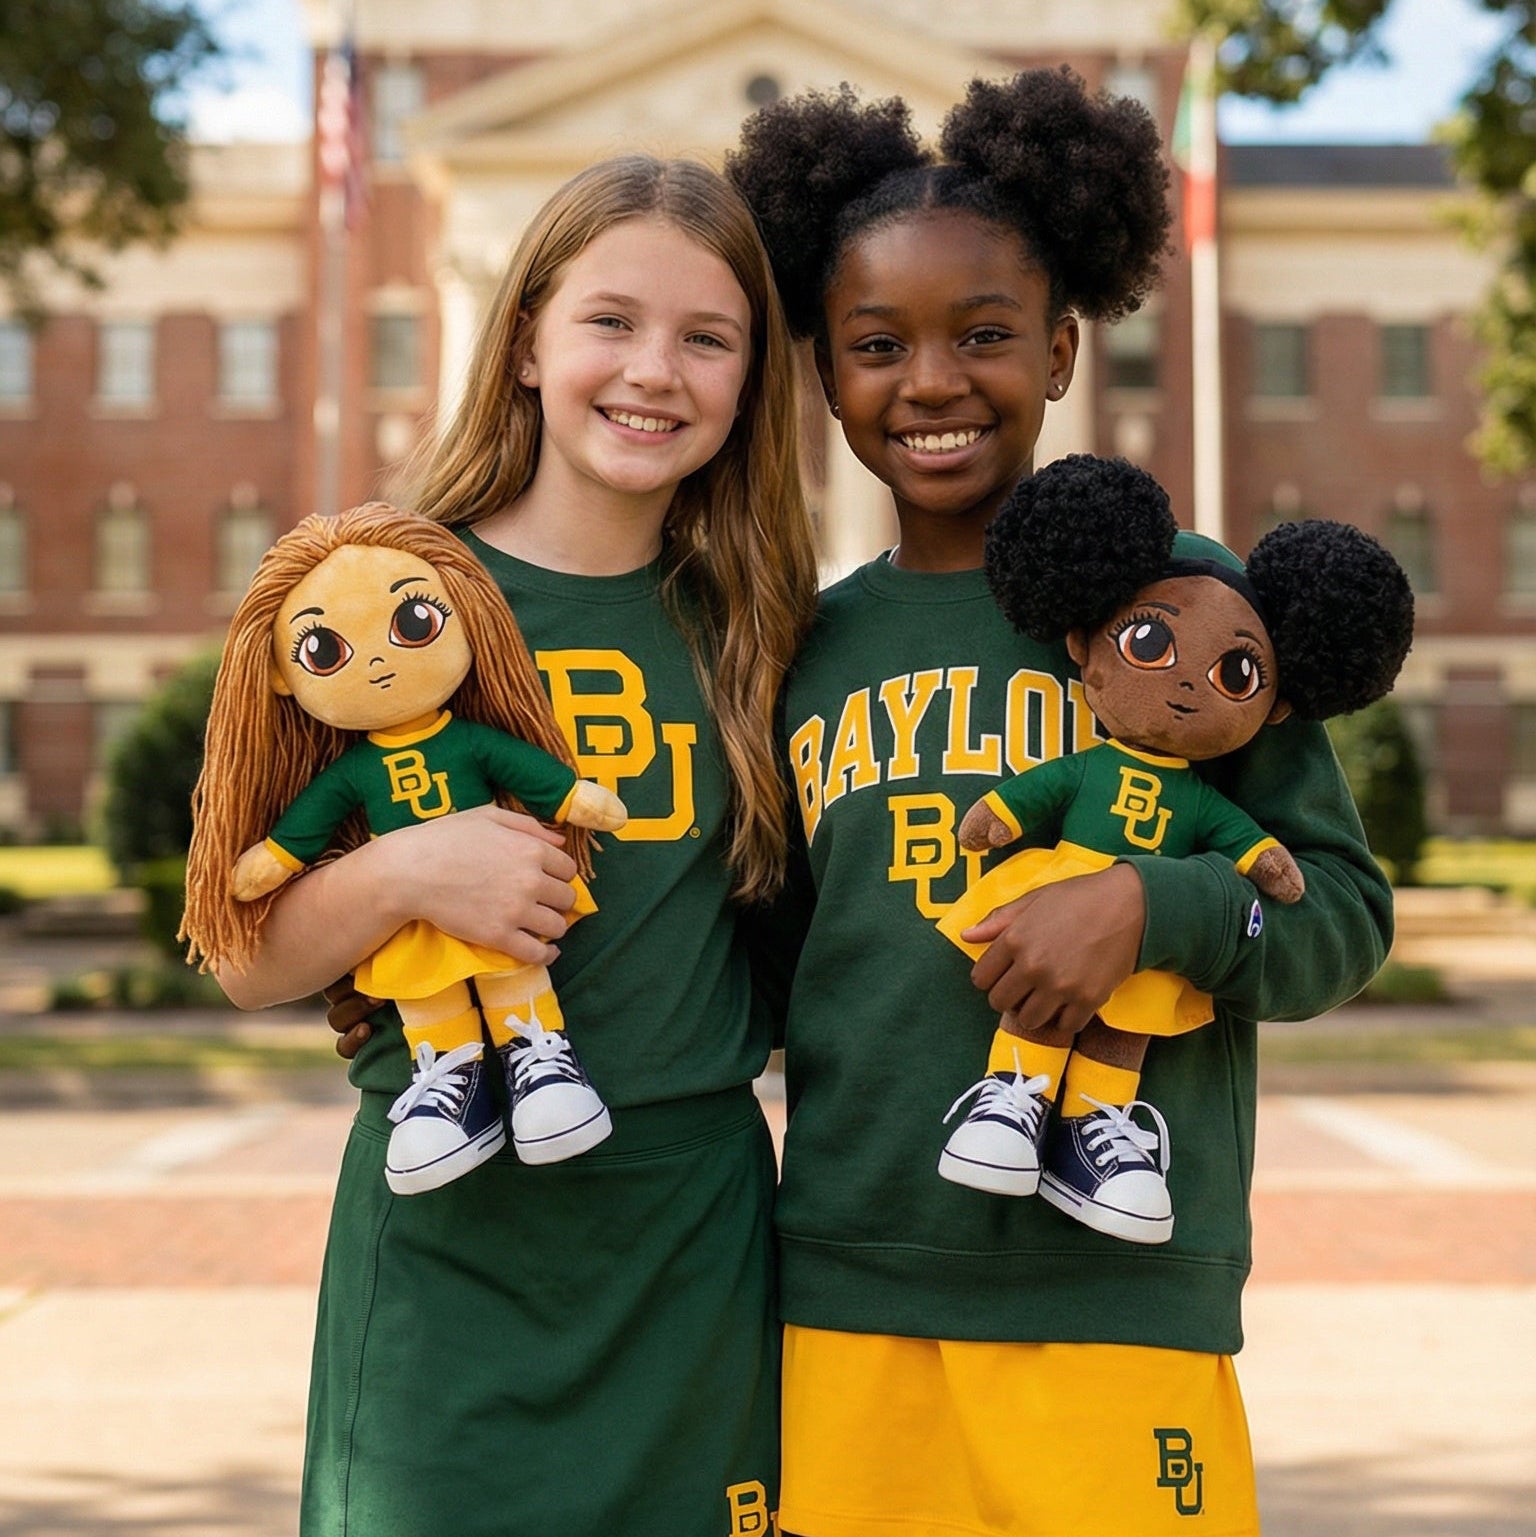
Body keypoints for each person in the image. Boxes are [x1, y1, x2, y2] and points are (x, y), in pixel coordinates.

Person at [728, 70, 1394, 1537]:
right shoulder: (801, 650)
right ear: (823, 372)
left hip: (1118, 1291)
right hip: (849, 1285)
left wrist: (1156, 904)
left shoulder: (1189, 609)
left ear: (1061, 349)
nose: (932, 382)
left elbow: (1341, 918)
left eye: (984, 334)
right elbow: (758, 971)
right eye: (877, 344)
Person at [212, 154, 819, 1537]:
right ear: (529, 338)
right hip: (453, 1243)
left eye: (708, 337)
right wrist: (405, 871)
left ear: (749, 382)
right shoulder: (378, 594)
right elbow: (243, 955)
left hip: (690, 1248)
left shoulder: (760, 626)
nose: (654, 370)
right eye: (611, 320)